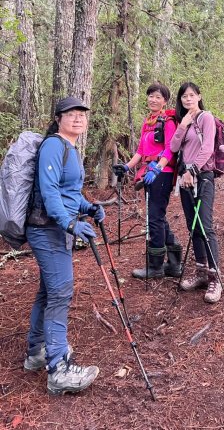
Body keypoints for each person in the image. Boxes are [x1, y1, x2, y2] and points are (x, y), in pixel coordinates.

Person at [24, 96, 105, 396]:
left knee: (48, 291)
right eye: (70, 114)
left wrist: (89, 207)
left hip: (57, 229)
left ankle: (36, 352)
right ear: (58, 118)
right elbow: (48, 194)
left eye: (82, 115)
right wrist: (70, 224)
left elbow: (69, 193)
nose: (77, 119)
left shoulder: (69, 149)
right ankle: (59, 369)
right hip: (47, 230)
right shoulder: (53, 146)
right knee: (60, 292)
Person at [117, 82, 182, 279]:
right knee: (158, 217)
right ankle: (174, 263)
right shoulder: (149, 121)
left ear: (165, 101)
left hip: (162, 173)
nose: (153, 100)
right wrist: (127, 166)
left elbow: (171, 148)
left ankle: (155, 267)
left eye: (158, 97)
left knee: (154, 218)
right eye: (151, 96)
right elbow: (140, 151)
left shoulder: (168, 121)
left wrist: (158, 167)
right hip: (148, 172)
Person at [170, 82, 222, 304]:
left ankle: (214, 277)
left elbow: (208, 146)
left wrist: (193, 170)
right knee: (193, 226)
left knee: (205, 225)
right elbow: (173, 148)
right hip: (185, 178)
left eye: (192, 95)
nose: (188, 99)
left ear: (199, 96)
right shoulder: (185, 122)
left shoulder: (206, 117)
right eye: (184, 96)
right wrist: (182, 125)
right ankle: (201, 272)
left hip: (202, 177)